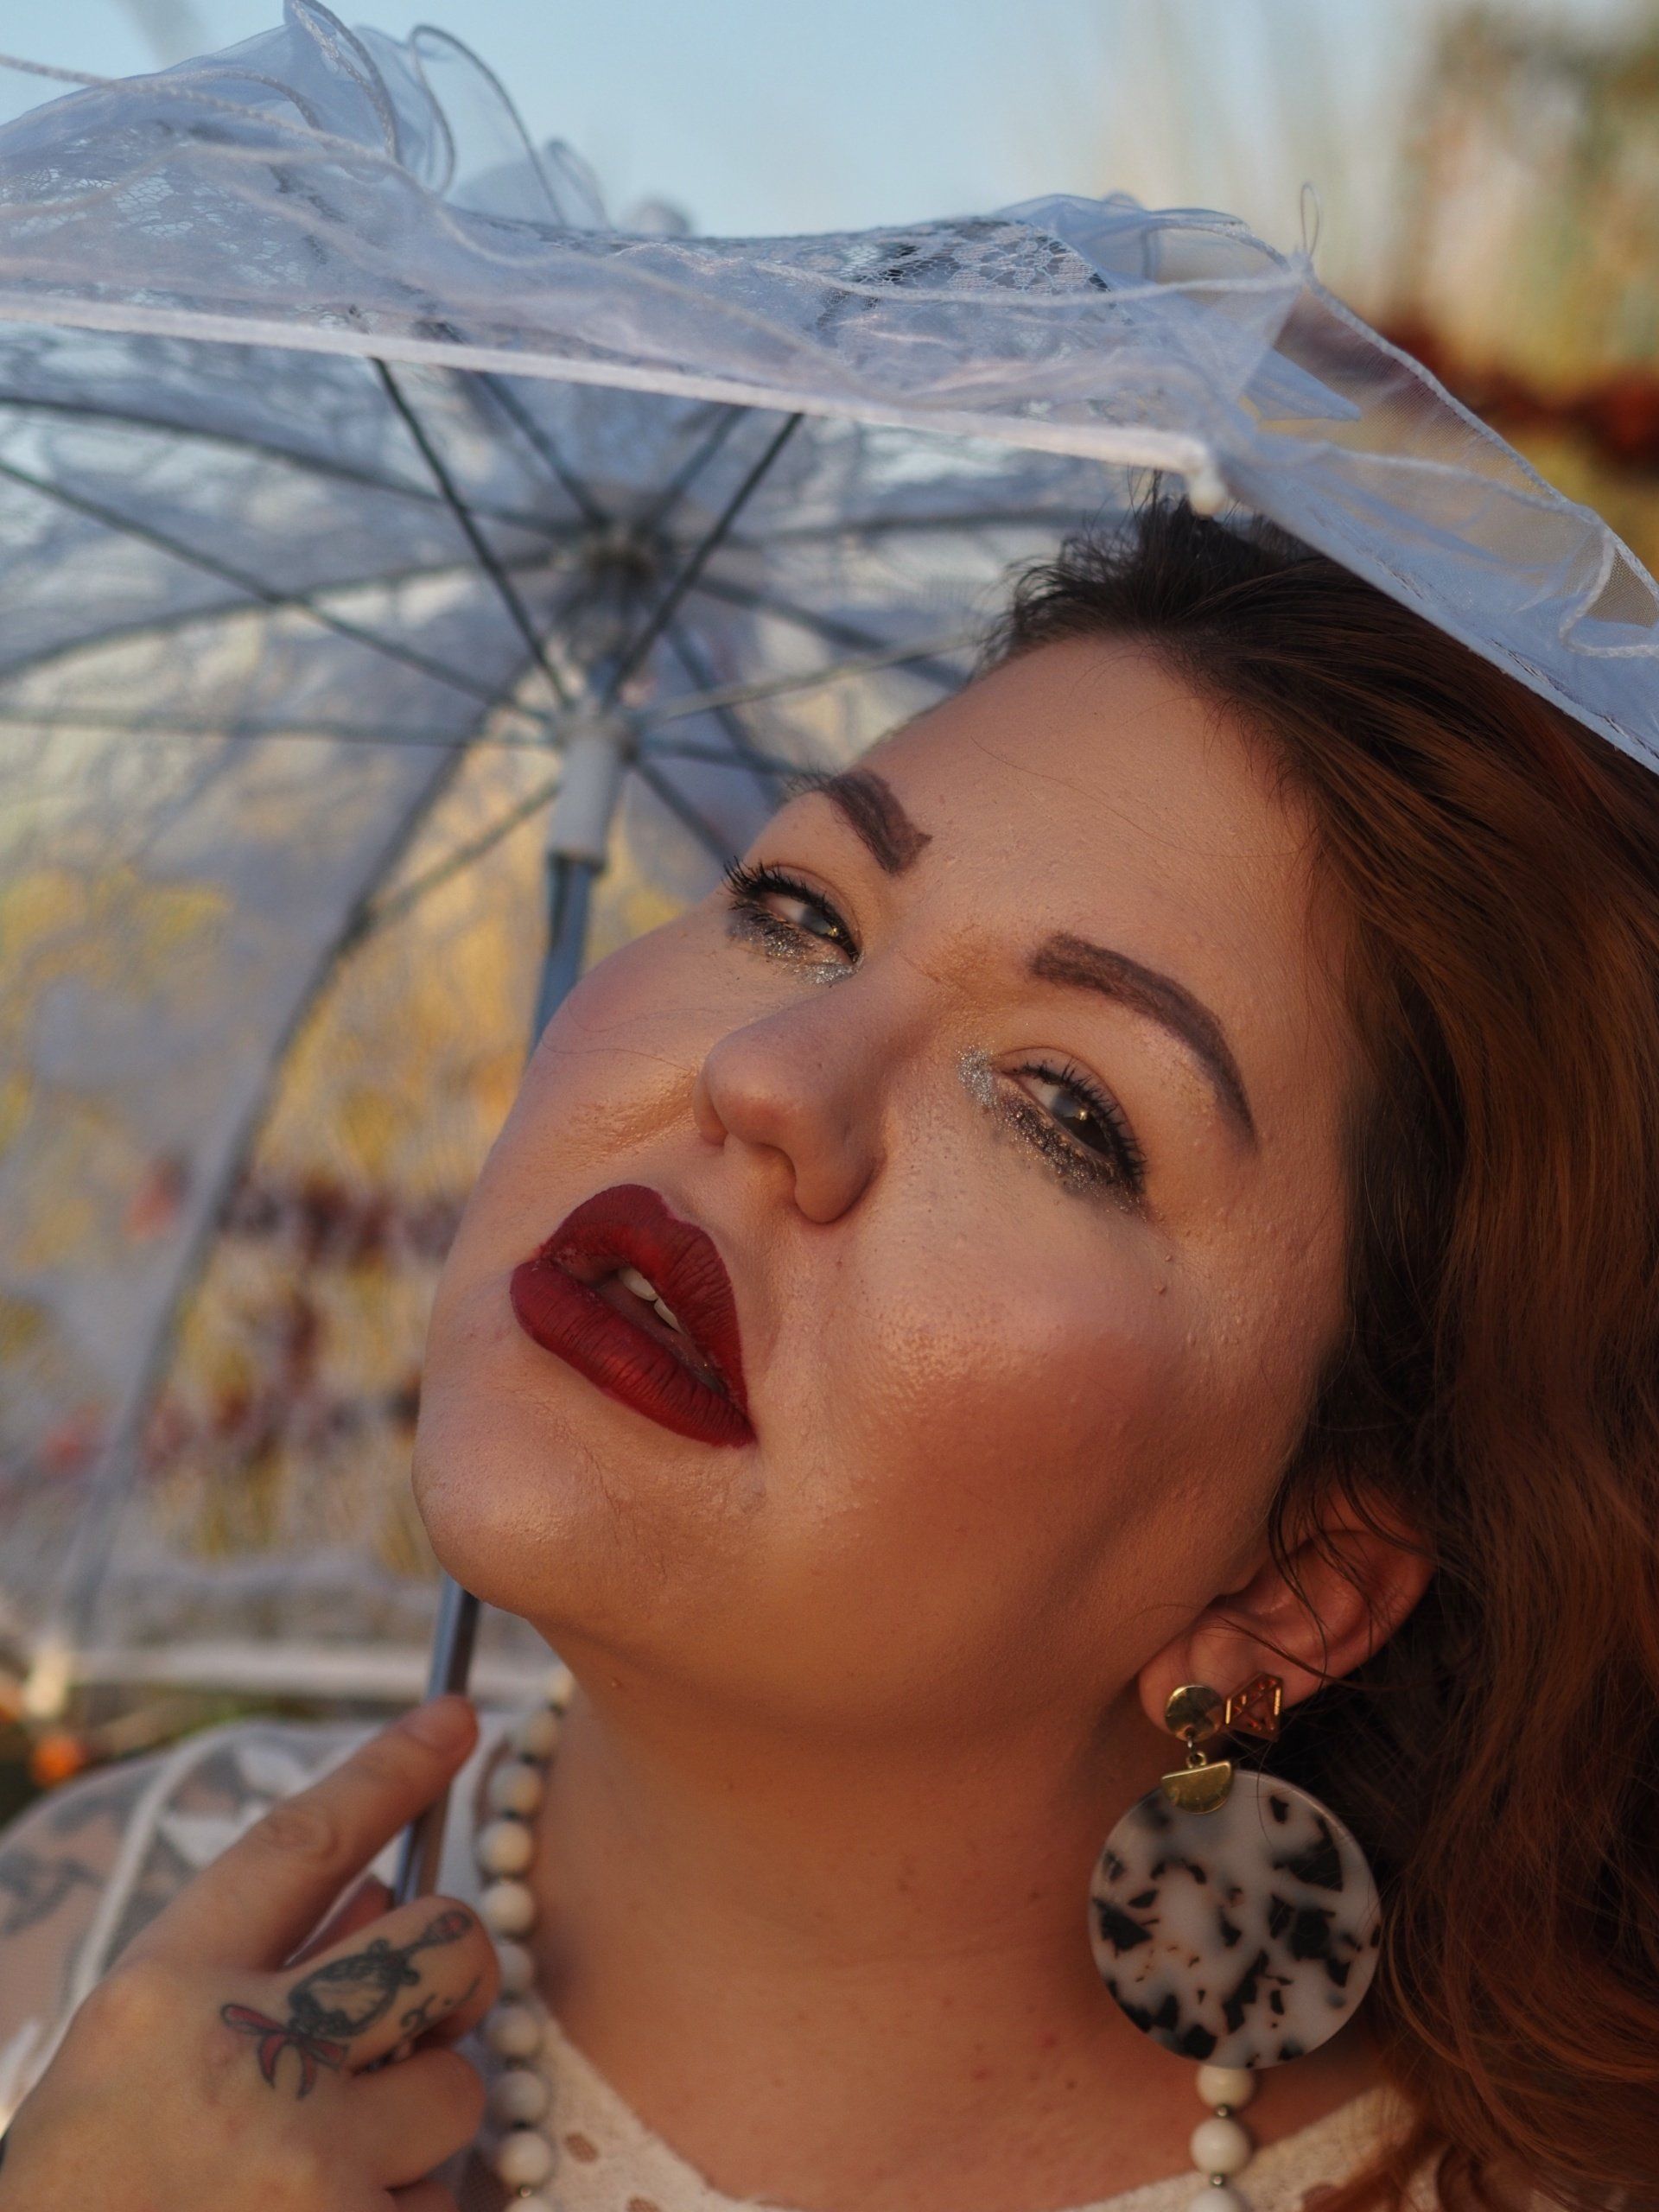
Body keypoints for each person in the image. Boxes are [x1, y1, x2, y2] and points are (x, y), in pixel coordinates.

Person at [0, 494, 1655, 2212]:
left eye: (1071, 1109)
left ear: (1299, 1581)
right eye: (799, 909)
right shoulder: (92, 1968)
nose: (772, 1072)